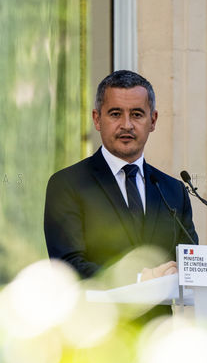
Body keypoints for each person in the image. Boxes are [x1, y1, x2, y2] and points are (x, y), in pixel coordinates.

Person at [44, 70, 198, 283]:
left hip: (162, 307)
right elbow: (68, 267)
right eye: (115, 114)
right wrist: (138, 280)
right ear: (97, 119)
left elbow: (190, 266)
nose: (127, 125)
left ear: (153, 120)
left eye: (137, 114)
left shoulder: (174, 191)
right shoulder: (67, 184)